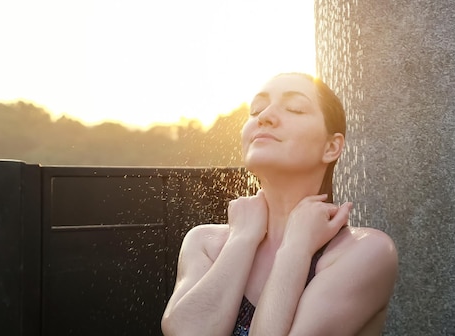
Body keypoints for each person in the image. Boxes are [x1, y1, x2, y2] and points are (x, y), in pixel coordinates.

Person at [161, 73, 398, 335]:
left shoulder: (365, 252)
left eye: (295, 108)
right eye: (256, 110)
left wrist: (296, 248)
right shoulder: (205, 242)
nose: (264, 117)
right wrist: (241, 239)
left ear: (331, 147)